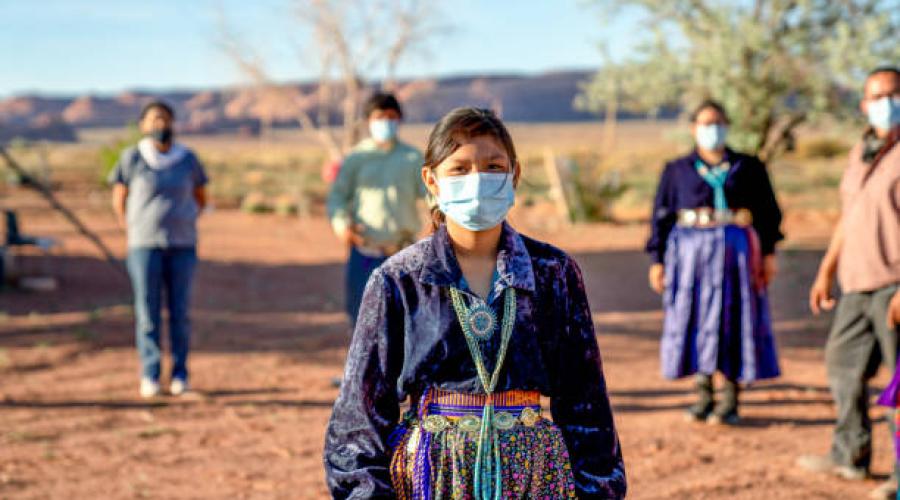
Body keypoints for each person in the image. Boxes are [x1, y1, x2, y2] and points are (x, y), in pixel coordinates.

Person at [324, 108, 626, 498]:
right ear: (431, 180)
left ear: (514, 175)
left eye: (493, 166)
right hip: (431, 478)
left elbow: (586, 404)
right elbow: (358, 420)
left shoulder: (553, 273)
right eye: (460, 169)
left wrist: (598, 492)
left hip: (534, 479)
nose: (478, 179)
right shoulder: (398, 280)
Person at [646, 99, 783, 425]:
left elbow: (768, 214)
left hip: (736, 254)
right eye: (705, 123)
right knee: (693, 318)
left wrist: (768, 254)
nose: (712, 130)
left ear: (727, 126)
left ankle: (732, 398)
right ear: (694, 128)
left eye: (718, 122)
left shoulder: (748, 167)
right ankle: (703, 393)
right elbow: (660, 217)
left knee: (736, 317)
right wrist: (657, 259)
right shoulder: (676, 170)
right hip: (689, 255)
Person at [798, 66, 900, 499]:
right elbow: (850, 214)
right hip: (857, 282)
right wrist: (826, 270)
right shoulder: (861, 150)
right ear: (863, 104)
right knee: (842, 364)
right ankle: (850, 454)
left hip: (895, 284)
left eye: (894, 94)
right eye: (876, 95)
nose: (885, 102)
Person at [109, 100, 208, 398]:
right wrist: (135, 228)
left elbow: (200, 197)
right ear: (142, 125)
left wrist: (184, 221)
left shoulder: (187, 158)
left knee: (180, 312)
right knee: (148, 312)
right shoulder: (132, 158)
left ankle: (180, 374)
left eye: (164, 118)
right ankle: (150, 375)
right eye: (153, 119)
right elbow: (119, 200)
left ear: (172, 123)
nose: (159, 124)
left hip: (182, 245)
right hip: (143, 246)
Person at [326, 92, 426, 327]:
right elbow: (337, 196)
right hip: (365, 252)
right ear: (369, 121)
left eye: (391, 117)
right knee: (363, 319)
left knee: (408, 320)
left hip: (404, 252)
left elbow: (433, 195)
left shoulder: (412, 158)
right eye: (380, 117)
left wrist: (440, 223)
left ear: (399, 120)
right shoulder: (356, 158)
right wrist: (342, 226)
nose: (386, 123)